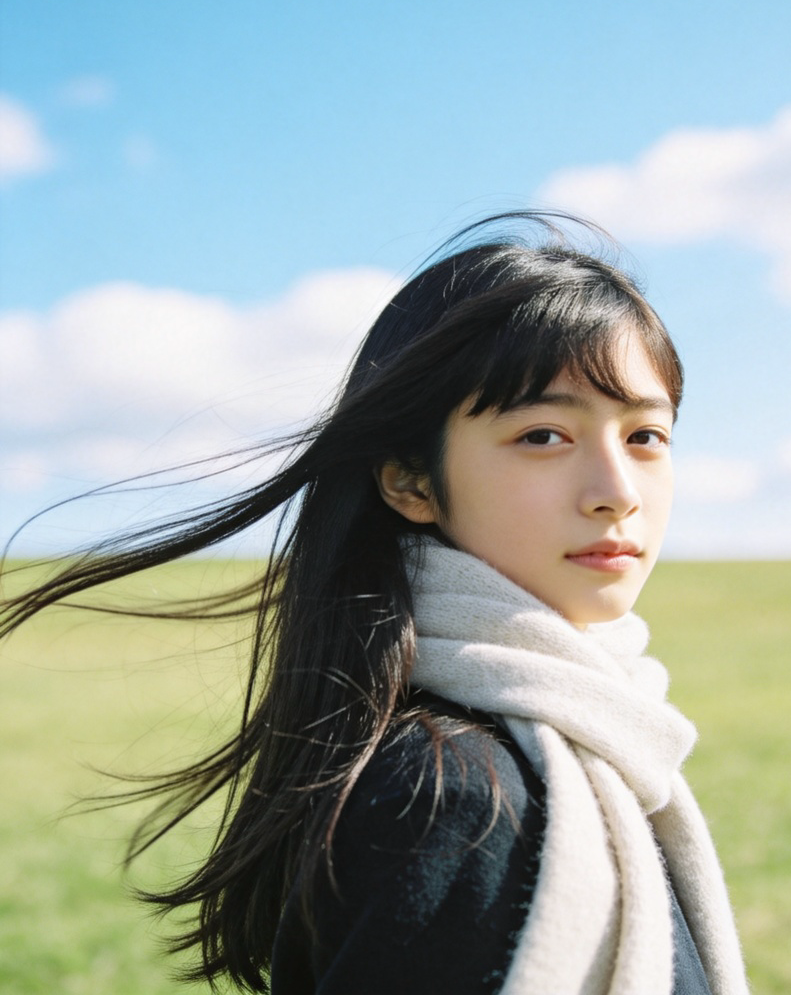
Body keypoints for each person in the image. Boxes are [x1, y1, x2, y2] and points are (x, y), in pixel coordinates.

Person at [0, 212, 748, 994]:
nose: (617, 494)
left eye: (645, 437)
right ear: (410, 481)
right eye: (542, 436)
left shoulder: (592, 742)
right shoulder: (455, 802)